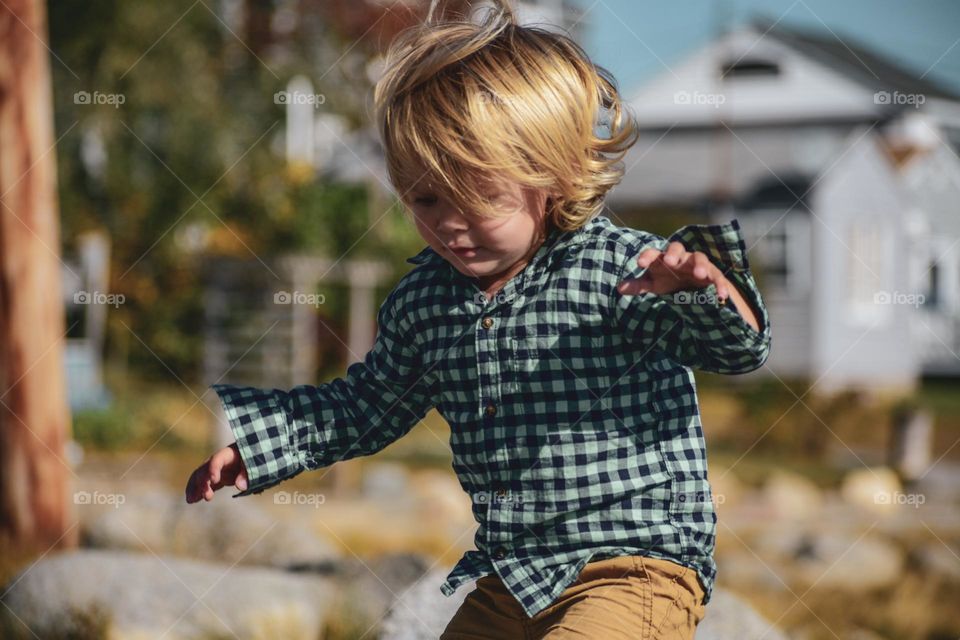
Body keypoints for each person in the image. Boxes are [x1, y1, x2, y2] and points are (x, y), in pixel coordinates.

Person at [185, 1, 772, 637]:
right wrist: (264, 448)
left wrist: (706, 294)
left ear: (553, 176)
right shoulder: (425, 303)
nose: (447, 222)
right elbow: (366, 406)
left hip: (634, 566)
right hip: (514, 572)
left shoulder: (620, 269)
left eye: (477, 198)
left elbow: (738, 351)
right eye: (425, 199)